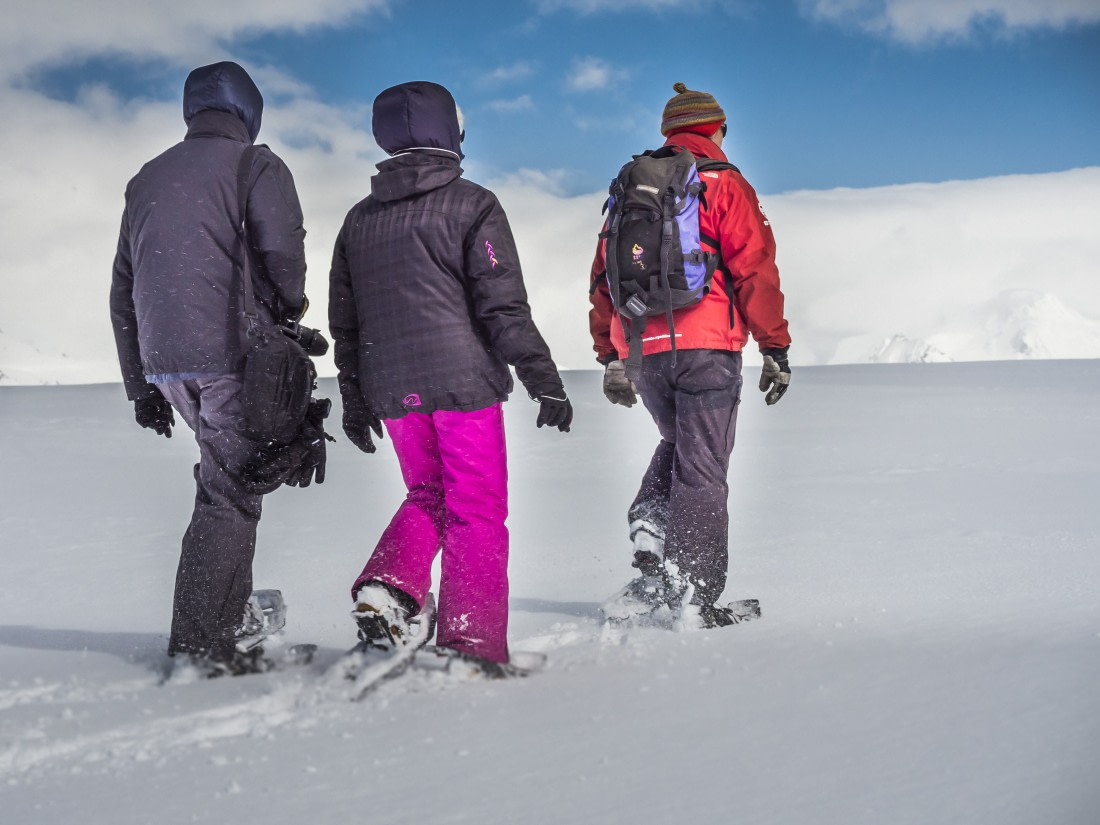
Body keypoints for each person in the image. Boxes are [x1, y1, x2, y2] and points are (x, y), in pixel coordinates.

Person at [329, 80, 571, 669]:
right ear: (452, 131)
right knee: (476, 507)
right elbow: (502, 305)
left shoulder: (359, 220)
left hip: (393, 388)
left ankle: (389, 586)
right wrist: (544, 378)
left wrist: (357, 397)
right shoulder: (473, 204)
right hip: (462, 385)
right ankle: (472, 642)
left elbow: (347, 322)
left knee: (428, 493)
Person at [109, 61, 310, 674]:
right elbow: (283, 255)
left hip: (166, 360)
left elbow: (123, 286)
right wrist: (292, 310)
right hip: (231, 352)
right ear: (249, 111)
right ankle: (202, 646)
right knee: (230, 495)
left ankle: (227, 616)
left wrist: (140, 384)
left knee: (222, 481)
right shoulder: (256, 165)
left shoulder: (146, 179)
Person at [589, 82, 792, 628]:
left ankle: (653, 522)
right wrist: (775, 344)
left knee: (678, 442)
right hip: (707, 346)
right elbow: (754, 269)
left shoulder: (630, 186)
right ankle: (694, 598)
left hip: (644, 351)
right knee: (703, 467)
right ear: (717, 128)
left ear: (669, 131)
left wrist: (611, 353)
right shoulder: (724, 183)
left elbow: (604, 277)